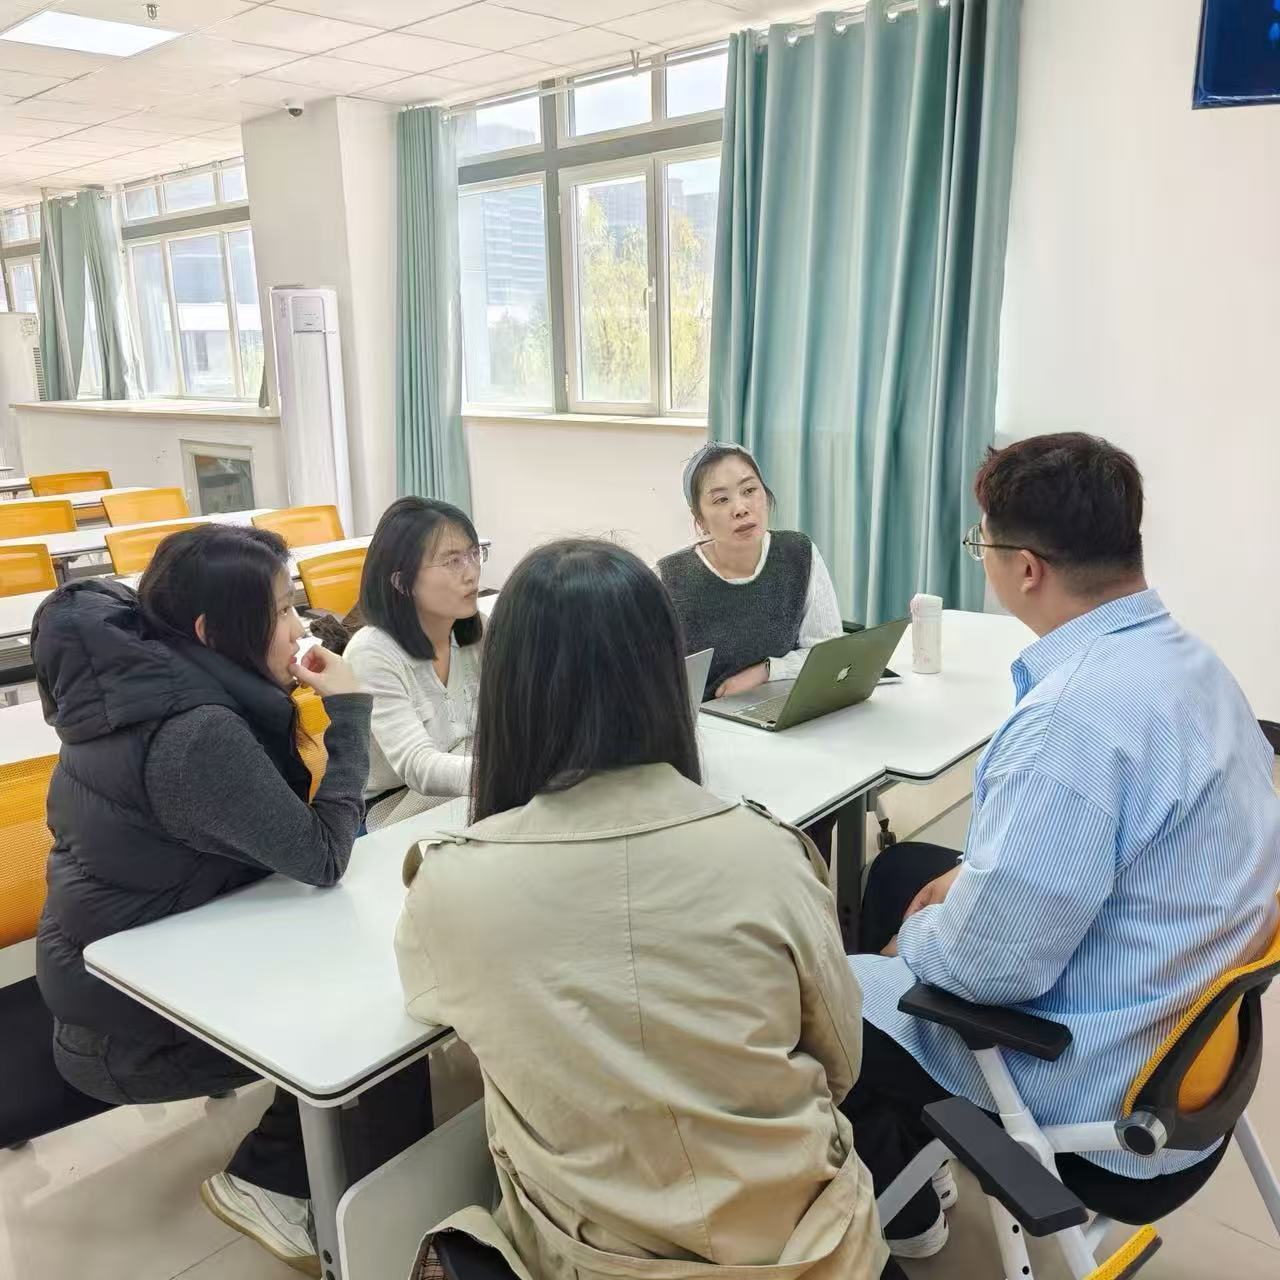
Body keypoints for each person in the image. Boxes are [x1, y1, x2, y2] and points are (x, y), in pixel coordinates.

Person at [394, 539, 892, 1280]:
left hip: (588, 1260)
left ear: (507, 691)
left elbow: (438, 1010)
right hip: (811, 1251)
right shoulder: (768, 854)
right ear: (665, 676)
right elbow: (841, 1062)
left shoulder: (453, 882)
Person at [846, 433, 1280, 1259]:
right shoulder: (1195, 664)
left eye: (981, 544)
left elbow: (989, 968)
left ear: (1026, 569)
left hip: (1108, 1107)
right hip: (1193, 1054)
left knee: (824, 994)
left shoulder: (1070, 722)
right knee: (904, 871)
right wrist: (963, 884)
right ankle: (908, 1153)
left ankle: (903, 1204)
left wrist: (917, 941)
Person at [31, 524, 429, 1275]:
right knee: (388, 1002)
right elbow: (322, 856)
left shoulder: (160, 685)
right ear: (211, 632)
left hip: (166, 957)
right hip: (133, 1027)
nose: (300, 627)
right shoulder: (192, 733)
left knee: (381, 955)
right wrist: (349, 714)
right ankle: (272, 1181)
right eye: (280, 610)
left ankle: (340, 1168)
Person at [658, 442, 843, 699]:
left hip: (783, 704)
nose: (740, 509)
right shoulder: (668, 578)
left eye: (749, 490)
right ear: (699, 519)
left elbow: (828, 651)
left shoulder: (798, 553)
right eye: (721, 499)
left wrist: (767, 671)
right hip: (705, 717)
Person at [344, 497, 485, 831]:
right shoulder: (372, 653)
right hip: (391, 809)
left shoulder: (478, 631)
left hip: (465, 790)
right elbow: (417, 766)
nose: (472, 573)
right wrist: (510, 772)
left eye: (474, 554)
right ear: (402, 582)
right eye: (453, 561)